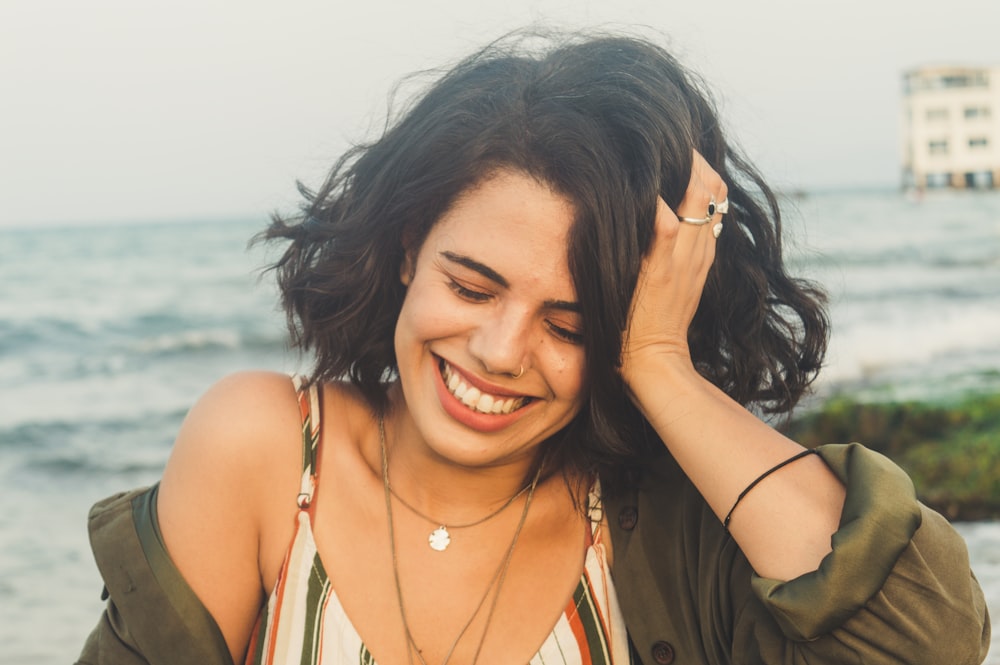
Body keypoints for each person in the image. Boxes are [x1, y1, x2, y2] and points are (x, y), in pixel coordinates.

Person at [77, 31, 990, 665]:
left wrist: (662, 368)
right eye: (471, 285)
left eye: (572, 325)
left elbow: (924, 641)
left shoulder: (660, 519)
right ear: (406, 247)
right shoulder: (267, 452)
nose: (500, 348)